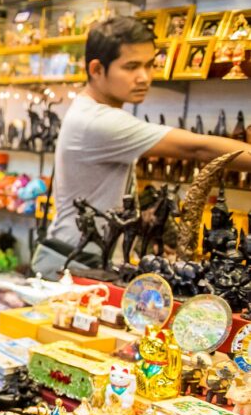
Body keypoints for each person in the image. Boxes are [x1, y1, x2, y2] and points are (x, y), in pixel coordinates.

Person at [32, 16, 251, 277]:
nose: (144, 77)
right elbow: (197, 149)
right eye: (131, 67)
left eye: (150, 65)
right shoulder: (98, 121)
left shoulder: (89, 110)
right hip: (80, 261)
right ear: (96, 69)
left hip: (89, 255)